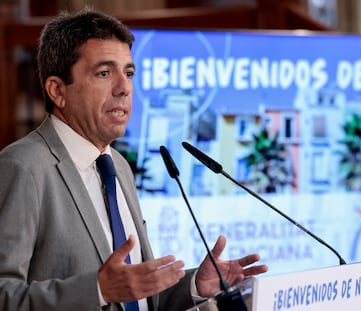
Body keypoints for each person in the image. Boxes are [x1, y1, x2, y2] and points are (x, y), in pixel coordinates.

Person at [0, 7, 268, 311]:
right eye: (104, 73)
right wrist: (98, 289)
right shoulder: (23, 167)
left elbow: (137, 297)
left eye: (128, 73)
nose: (124, 88)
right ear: (57, 90)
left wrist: (194, 285)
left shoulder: (118, 167)